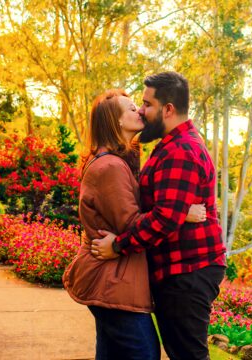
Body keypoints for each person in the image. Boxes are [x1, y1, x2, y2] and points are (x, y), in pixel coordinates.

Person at [91, 72, 227, 360]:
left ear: (168, 109)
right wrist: (180, 212)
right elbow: (163, 209)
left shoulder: (180, 150)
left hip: (187, 272)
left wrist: (117, 247)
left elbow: (164, 218)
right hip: (179, 270)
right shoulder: (167, 146)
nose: (141, 110)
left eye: (146, 104)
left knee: (187, 354)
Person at [63, 89, 206, 360]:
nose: (139, 111)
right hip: (112, 279)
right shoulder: (111, 168)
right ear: (115, 122)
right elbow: (131, 224)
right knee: (144, 353)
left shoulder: (117, 161)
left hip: (114, 277)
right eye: (130, 108)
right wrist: (179, 212)